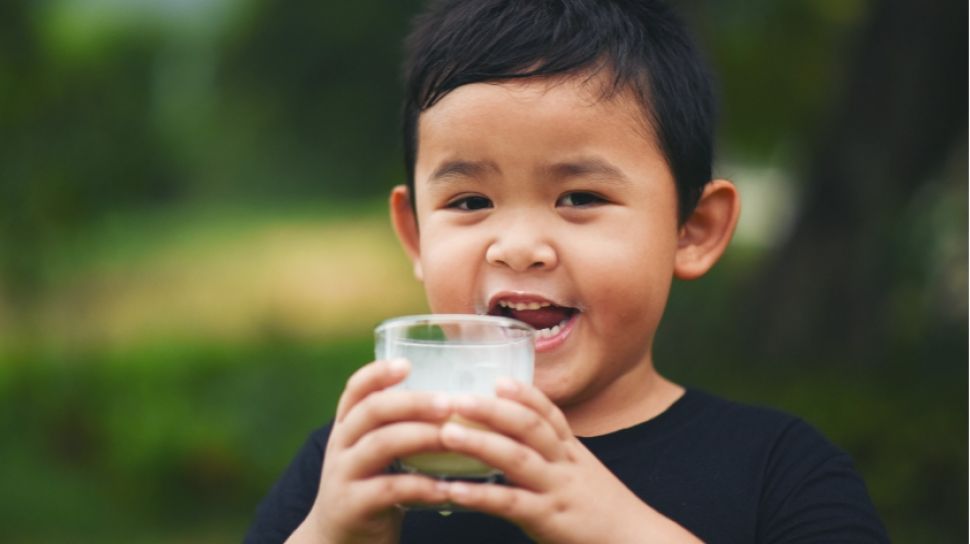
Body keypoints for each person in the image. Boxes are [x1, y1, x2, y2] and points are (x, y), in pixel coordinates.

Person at [246, 0, 889, 542]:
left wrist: (619, 528)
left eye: (579, 197)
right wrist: (329, 532)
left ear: (692, 230)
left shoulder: (779, 471)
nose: (519, 248)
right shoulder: (352, 470)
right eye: (470, 201)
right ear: (414, 234)